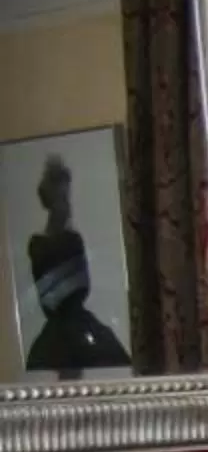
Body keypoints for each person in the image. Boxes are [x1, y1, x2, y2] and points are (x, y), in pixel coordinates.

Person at [20, 155, 132, 376]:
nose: (66, 205)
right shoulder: (39, 245)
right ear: (49, 202)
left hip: (77, 322)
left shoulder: (73, 240)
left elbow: (81, 287)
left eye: (67, 197)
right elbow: (49, 296)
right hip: (61, 327)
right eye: (61, 198)